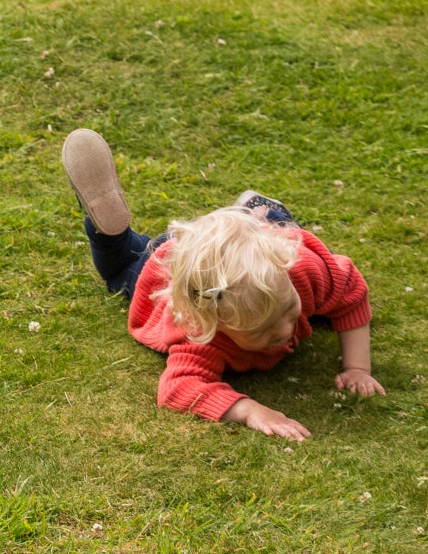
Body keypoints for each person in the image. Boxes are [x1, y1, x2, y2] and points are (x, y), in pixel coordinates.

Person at [61, 128, 381, 440]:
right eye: (263, 332)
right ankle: (111, 232)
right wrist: (250, 410)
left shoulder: (301, 269)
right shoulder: (201, 334)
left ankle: (260, 215)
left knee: (275, 237)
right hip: (163, 264)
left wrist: (357, 368)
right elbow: (179, 386)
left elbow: (350, 292)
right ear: (214, 326)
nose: (285, 329)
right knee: (123, 270)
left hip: (245, 245)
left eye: (288, 309)